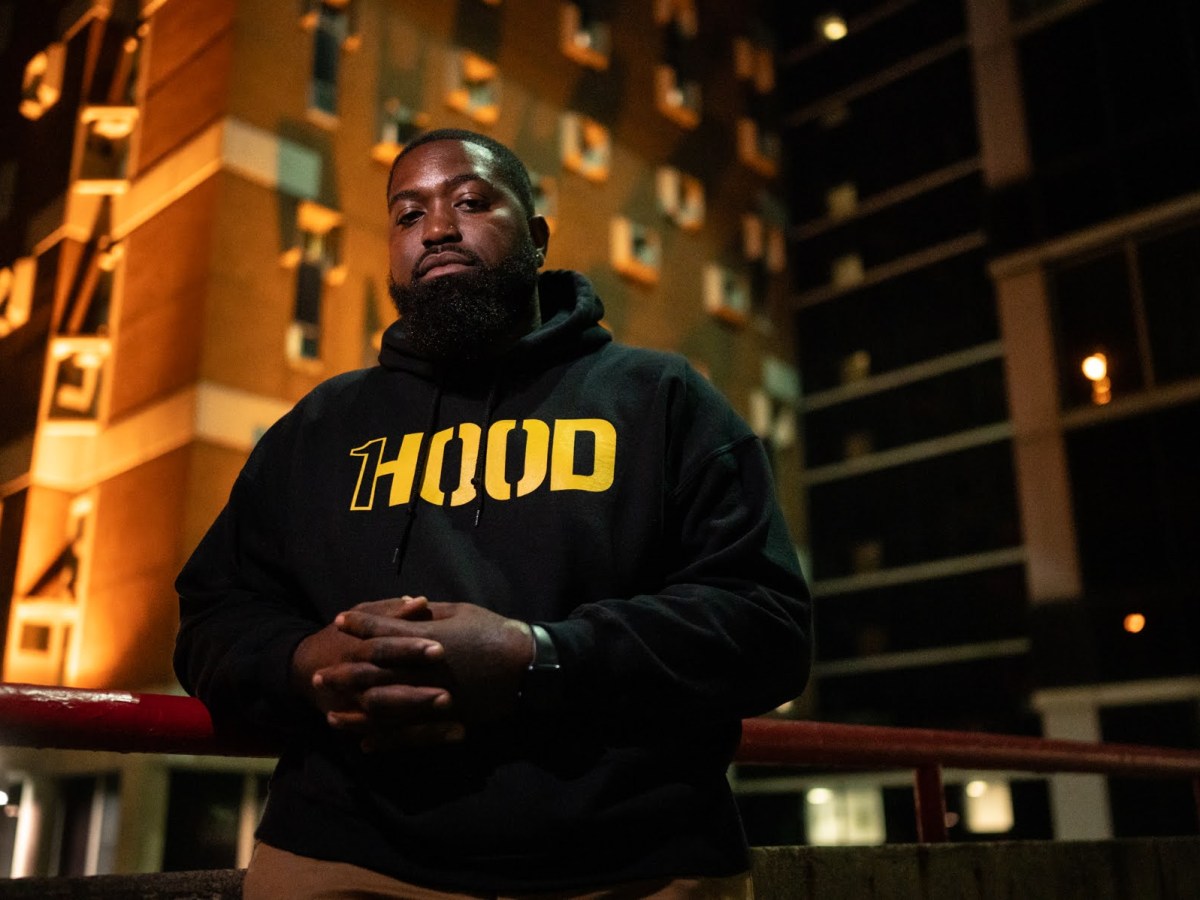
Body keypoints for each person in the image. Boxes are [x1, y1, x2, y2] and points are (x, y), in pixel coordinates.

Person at [174, 128, 812, 899]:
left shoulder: (661, 401)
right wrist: (303, 665)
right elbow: (214, 615)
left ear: (537, 238)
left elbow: (768, 627)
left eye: (469, 202)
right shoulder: (317, 428)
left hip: (635, 867)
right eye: (407, 215)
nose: (436, 227)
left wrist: (536, 656)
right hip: (345, 861)